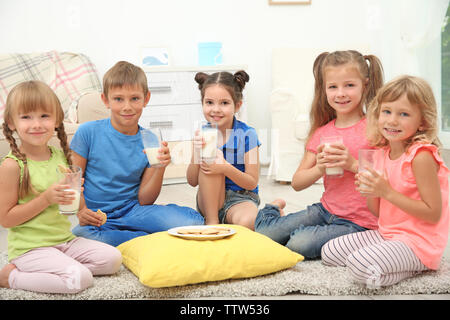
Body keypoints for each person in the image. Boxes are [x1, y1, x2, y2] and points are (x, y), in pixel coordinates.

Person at [321, 75, 449, 288]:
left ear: (422, 122)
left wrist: (387, 191)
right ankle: (391, 262)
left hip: (419, 243)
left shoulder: (421, 156)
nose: (392, 120)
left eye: (404, 114)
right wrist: (372, 191)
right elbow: (378, 213)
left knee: (359, 264)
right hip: (388, 234)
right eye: (387, 112)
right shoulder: (381, 155)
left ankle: (419, 265)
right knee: (330, 252)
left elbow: (433, 212)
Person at [255, 50, 384, 259]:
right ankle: (272, 209)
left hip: (360, 222)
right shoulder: (322, 132)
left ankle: (293, 235)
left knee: (299, 244)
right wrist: (320, 168)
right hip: (325, 210)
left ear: (366, 85)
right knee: (263, 233)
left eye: (349, 85)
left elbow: (388, 176)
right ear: (324, 90)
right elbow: (297, 182)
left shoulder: (377, 128)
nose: (340, 93)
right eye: (333, 87)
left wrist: (352, 164)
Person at [0, 81, 122, 294]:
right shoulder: (12, 166)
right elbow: (6, 219)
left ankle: (58, 266)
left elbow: (73, 205)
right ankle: (11, 276)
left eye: (44, 116)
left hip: (64, 241)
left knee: (113, 259)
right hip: (30, 248)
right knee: (79, 279)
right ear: (11, 123)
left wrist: (81, 206)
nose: (36, 124)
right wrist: (46, 198)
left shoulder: (59, 156)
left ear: (56, 119)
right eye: (26, 117)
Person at [70, 61, 204, 246]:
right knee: (82, 236)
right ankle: (144, 238)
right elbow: (72, 179)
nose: (127, 107)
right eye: (118, 99)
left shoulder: (150, 140)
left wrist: (159, 168)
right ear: (105, 100)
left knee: (193, 222)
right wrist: (81, 210)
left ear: (146, 98)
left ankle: (134, 236)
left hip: (133, 211)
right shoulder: (87, 133)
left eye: (134, 98)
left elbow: (145, 200)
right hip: (97, 217)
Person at [186, 71, 261, 229]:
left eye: (224, 103)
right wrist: (196, 153)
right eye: (209, 102)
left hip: (241, 199)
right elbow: (192, 181)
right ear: (202, 104)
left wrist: (225, 167)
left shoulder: (248, 135)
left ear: (237, 105)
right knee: (210, 161)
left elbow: (251, 182)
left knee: (248, 222)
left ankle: (271, 212)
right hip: (209, 201)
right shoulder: (202, 134)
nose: (216, 109)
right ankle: (213, 222)